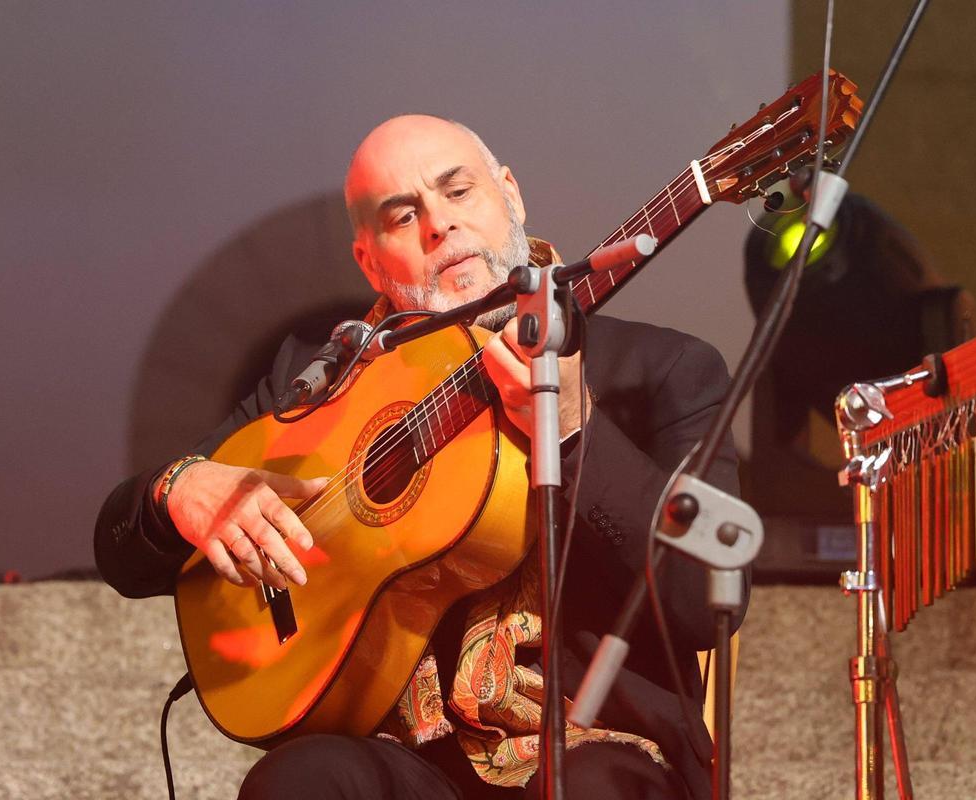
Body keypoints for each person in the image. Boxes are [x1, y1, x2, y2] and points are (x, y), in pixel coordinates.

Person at [95, 115, 744, 799]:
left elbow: (702, 600)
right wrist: (178, 490)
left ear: (511, 195)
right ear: (369, 261)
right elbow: (121, 553)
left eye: (458, 192)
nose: (439, 225)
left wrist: (577, 427)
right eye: (402, 217)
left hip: (595, 748)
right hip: (400, 761)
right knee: (301, 781)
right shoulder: (317, 380)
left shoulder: (662, 370)